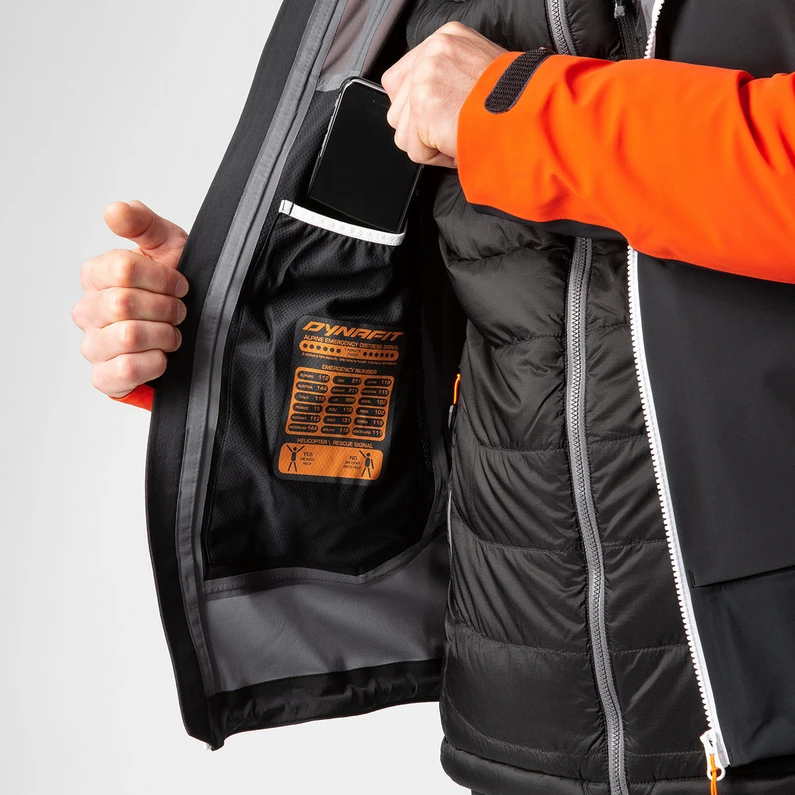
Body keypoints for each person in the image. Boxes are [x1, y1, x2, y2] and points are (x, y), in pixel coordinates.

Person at [72, 5, 795, 794]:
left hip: (766, 701)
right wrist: (231, 336)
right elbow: (424, 318)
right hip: (527, 732)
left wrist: (521, 110)